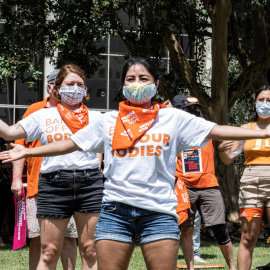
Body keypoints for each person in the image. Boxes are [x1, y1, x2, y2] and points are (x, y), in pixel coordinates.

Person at [0, 57, 270, 270]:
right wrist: (28, 153)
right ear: (123, 85)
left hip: (159, 213)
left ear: (157, 83)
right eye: (131, 78)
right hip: (115, 213)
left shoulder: (173, 118)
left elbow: (218, 130)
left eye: (144, 78)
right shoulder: (108, 120)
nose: (137, 83)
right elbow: (68, 144)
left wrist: (262, 133)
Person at [3, 64, 104, 270]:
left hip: (90, 183)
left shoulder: (97, 118)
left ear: (85, 90)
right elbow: (9, 133)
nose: (75, 88)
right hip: (53, 184)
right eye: (70, 84)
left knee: (90, 249)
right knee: (48, 252)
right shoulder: (43, 115)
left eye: (80, 84)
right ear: (57, 88)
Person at [11, 69, 78, 270]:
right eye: (58, 84)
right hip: (37, 185)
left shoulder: (78, 110)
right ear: (50, 87)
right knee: (38, 238)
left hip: (71, 185)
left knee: (69, 237)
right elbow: (19, 146)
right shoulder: (35, 110)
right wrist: (16, 179)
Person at [172, 95, 235, 270]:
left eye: (197, 108)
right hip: (184, 185)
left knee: (220, 227)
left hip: (209, 184)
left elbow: (225, 133)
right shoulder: (175, 131)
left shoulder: (207, 128)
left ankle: (232, 267)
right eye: (190, 109)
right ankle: (190, 267)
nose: (194, 111)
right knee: (187, 228)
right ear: (182, 111)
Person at [218, 85, 270, 270]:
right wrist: (224, 151)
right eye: (261, 100)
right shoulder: (245, 129)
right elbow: (227, 159)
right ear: (255, 104)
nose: (265, 104)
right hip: (250, 185)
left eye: (269, 100)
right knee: (248, 237)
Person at [0, 137, 14, 247]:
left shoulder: (5, 149)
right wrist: (3, 166)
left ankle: (12, 237)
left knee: (11, 209)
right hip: (2, 182)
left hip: (8, 183)